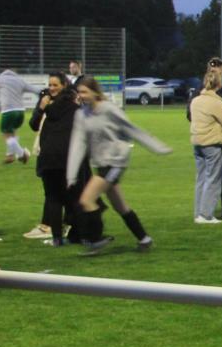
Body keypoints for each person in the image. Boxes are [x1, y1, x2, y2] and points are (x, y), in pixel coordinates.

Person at [66, 76, 170, 254]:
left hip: (115, 162)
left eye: (84, 92)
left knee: (86, 200)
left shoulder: (108, 109)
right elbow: (78, 144)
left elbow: (131, 129)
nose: (81, 95)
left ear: (95, 92)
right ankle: (144, 239)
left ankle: (95, 240)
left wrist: (157, 147)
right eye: (79, 92)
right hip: (100, 164)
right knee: (120, 206)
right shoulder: (81, 114)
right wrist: (71, 174)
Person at [28, 73, 80, 244]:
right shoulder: (73, 105)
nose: (51, 88)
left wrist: (41, 108)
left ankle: (58, 237)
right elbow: (34, 125)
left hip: (51, 156)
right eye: (50, 85)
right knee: (66, 196)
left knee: (54, 197)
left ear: (64, 85)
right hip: (65, 156)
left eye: (55, 85)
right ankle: (72, 233)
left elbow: (34, 124)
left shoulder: (52, 105)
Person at [188, 72, 222, 225]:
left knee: (201, 179)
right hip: (212, 144)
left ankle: (198, 213)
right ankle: (206, 215)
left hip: (197, 143)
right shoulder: (216, 103)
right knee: (213, 180)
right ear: (219, 84)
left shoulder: (195, 100)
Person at [0, 68, 36, 164]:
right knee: (12, 132)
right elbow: (34, 89)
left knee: (6, 134)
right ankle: (10, 156)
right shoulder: (20, 81)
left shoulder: (2, 79)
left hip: (9, 111)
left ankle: (22, 153)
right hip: (21, 112)